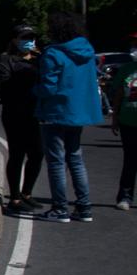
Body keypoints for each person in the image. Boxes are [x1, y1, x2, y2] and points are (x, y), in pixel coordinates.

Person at [32, 12, 102, 223]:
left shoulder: (53, 53)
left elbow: (48, 87)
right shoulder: (88, 53)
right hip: (77, 113)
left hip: (55, 112)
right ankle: (84, 207)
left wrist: (33, 90)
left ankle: (60, 208)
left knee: (56, 162)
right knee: (76, 159)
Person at [0, 24, 44, 215]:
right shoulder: (5, 61)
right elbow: (4, 88)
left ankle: (27, 194)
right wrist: (25, 79)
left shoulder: (38, 59)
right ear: (15, 40)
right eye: (24, 38)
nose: (29, 41)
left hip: (34, 113)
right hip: (15, 114)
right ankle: (14, 198)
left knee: (38, 153)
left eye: (31, 37)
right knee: (17, 154)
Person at [109, 32, 137, 210]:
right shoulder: (127, 70)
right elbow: (118, 94)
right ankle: (125, 197)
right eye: (134, 43)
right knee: (131, 160)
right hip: (129, 122)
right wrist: (115, 118)